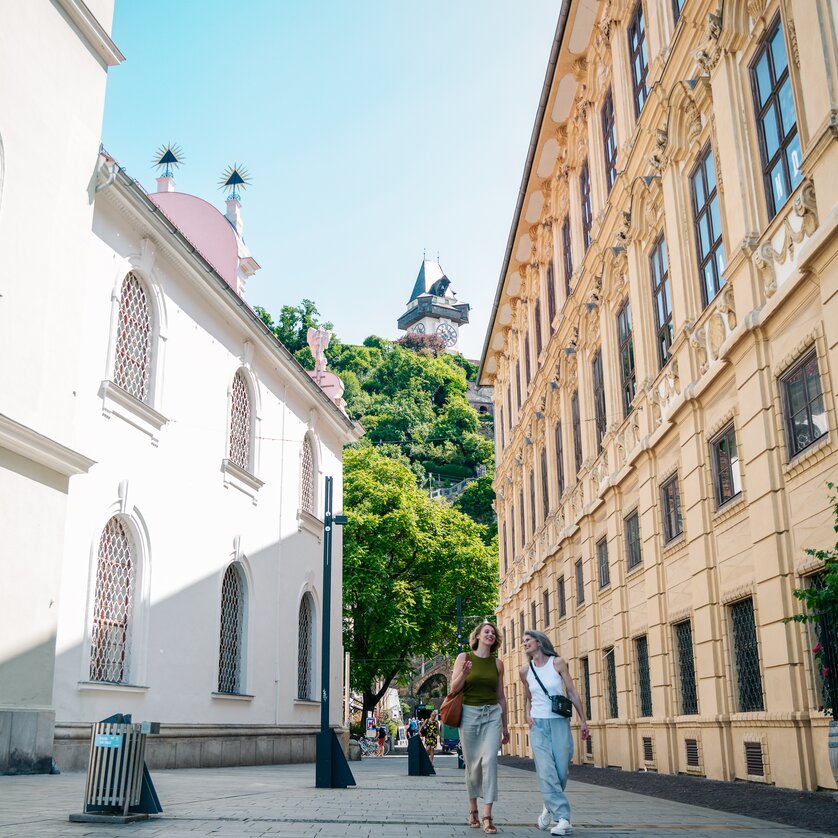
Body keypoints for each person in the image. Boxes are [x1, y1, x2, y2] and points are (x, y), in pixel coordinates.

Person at [519, 629, 589, 837]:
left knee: (561, 771)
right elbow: (528, 697)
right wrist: (527, 715)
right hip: (538, 725)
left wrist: (583, 720)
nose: (525, 644)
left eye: (528, 640)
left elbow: (572, 692)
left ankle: (549, 805)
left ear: (539, 642)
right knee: (546, 771)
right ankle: (563, 818)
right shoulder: (525, 671)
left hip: (559, 722)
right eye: (523, 642)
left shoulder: (557, 663)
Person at [449, 621, 509, 834]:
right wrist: (464, 675)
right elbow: (453, 688)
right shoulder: (464, 658)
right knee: (473, 764)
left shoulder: (498, 664)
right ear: (477, 636)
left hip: (492, 714)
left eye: (493, 632)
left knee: (490, 760)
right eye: (486, 631)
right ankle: (472, 809)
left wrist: (505, 726)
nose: (490, 634)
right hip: (469, 714)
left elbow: (501, 696)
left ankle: (487, 815)